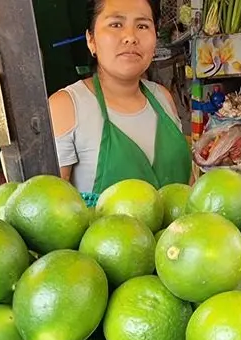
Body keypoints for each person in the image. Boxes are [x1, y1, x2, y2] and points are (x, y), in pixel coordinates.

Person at [48, 0, 192, 194]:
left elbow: (189, 185)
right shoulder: (65, 107)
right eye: (116, 24)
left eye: (142, 26)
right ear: (91, 40)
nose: (130, 37)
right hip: (109, 226)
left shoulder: (163, 98)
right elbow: (51, 206)